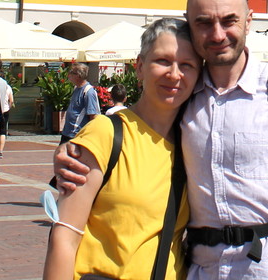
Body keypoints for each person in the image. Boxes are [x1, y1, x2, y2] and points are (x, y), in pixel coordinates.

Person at [55, 0, 268, 280]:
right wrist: (71, 151)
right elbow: (140, 131)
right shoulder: (183, 96)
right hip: (204, 270)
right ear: (190, 25)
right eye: (204, 23)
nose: (218, 34)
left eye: (229, 21)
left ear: (248, 21)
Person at [43, 18, 200, 280]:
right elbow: (64, 237)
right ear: (139, 67)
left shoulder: (192, 145)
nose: (174, 74)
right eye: (162, 61)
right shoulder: (106, 133)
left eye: (187, 65)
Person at [59, 62, 100, 144]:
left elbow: (93, 116)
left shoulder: (88, 92)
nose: (69, 75)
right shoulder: (76, 88)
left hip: (77, 135)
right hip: (67, 133)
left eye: (71, 72)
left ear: (78, 75)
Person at [0, 63, 15, 159]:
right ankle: (0, 151)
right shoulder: (8, 87)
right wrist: (8, 107)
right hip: (5, 110)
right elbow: (11, 100)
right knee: (3, 132)